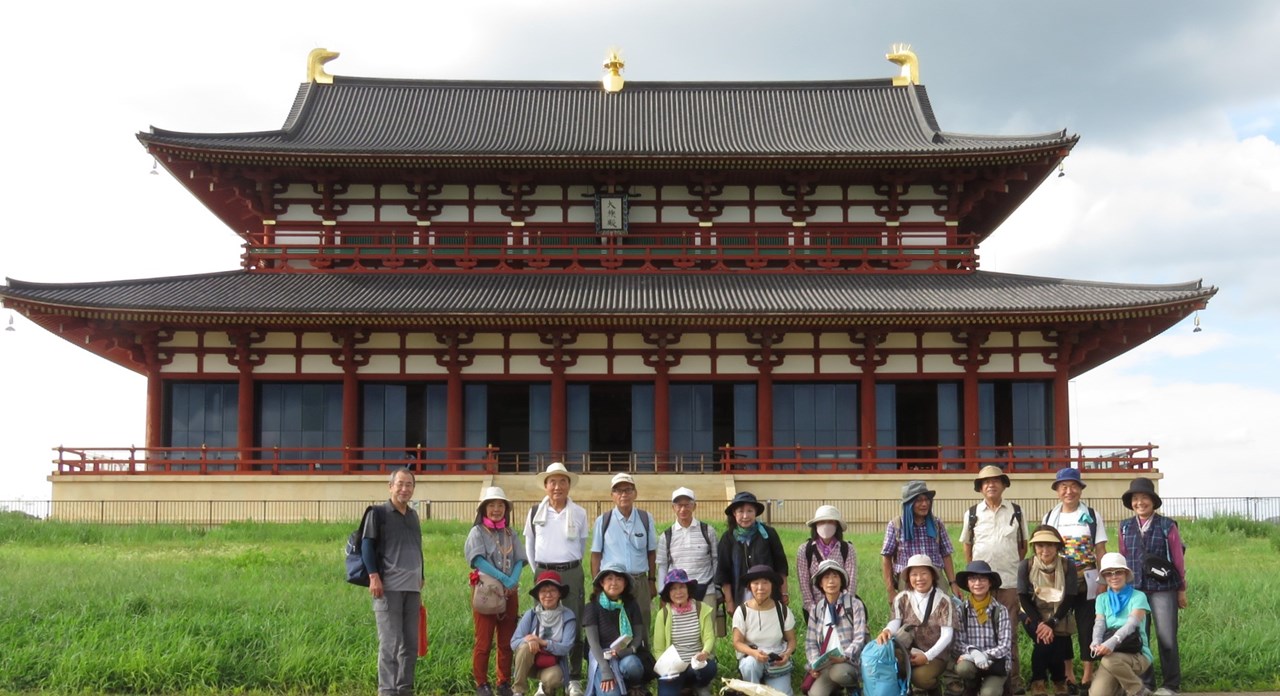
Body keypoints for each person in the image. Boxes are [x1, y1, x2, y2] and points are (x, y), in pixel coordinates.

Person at [960, 465, 1028, 695]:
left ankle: (1012, 683)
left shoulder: (1016, 511)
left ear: (1003, 485)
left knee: (1010, 636)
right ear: (980, 488)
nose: (991, 485)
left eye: (995, 480)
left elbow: (1022, 546)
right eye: (986, 482)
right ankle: (977, 679)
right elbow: (967, 546)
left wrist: (1010, 566)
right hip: (980, 585)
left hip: (1008, 583)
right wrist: (976, 575)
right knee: (979, 633)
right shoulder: (972, 513)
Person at [525, 462, 591, 696]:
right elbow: (530, 545)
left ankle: (574, 677)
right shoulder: (535, 512)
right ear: (545, 485)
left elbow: (581, 546)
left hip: (571, 571)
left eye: (563, 481)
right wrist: (539, 571)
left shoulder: (579, 513)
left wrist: (567, 565)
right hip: (544, 572)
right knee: (543, 624)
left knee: (574, 621)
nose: (557, 487)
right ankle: (546, 679)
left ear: (569, 485)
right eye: (552, 481)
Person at [1117, 478, 1186, 696]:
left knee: (1167, 637)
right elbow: (1123, 559)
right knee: (1140, 638)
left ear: (1153, 501)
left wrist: (1181, 589)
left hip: (1163, 589)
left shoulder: (1167, 526)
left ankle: (1171, 684)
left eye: (1144, 498)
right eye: (1135, 499)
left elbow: (1178, 559)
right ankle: (1146, 683)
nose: (1140, 502)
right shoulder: (1124, 527)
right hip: (1135, 590)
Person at [1041, 468, 1108, 693]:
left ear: (1080, 489)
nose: (1068, 491)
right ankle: (1068, 673)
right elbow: (1044, 549)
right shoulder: (1050, 517)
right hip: (1059, 579)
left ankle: (1088, 673)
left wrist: (1103, 579)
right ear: (1057, 490)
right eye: (1063, 487)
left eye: (1073, 486)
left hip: (1088, 577)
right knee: (1062, 626)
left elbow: (1100, 549)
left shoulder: (1092, 515)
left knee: (1087, 624)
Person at [361, 468, 424, 696]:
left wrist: (421, 575)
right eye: (400, 484)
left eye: (409, 485)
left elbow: (417, 547)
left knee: (410, 644)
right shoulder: (378, 513)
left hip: (412, 588)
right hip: (388, 587)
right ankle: (387, 690)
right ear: (390, 487)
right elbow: (367, 545)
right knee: (390, 643)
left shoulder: (413, 515)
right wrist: (373, 576)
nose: (404, 489)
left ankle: (404, 689)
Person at [467, 486, 528, 696]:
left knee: (506, 640)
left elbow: (520, 559)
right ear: (484, 508)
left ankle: (504, 682)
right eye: (491, 505)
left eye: (500, 505)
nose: (496, 509)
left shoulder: (511, 533)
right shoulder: (477, 532)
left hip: (509, 592)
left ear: (506, 509)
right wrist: (503, 579)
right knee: (483, 641)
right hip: (486, 591)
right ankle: (482, 683)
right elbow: (477, 560)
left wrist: (513, 580)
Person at [875, 553, 956, 696]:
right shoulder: (902, 598)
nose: (919, 579)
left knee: (920, 677)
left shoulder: (944, 600)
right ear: (908, 577)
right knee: (888, 664)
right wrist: (887, 630)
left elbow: (947, 635)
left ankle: (934, 689)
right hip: (907, 650)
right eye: (914, 574)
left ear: (932, 576)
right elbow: (895, 622)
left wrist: (927, 656)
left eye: (924, 573)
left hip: (936, 655)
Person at [591, 473, 659, 632]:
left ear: (635, 493)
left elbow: (651, 552)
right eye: (618, 491)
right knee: (613, 626)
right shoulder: (603, 521)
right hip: (614, 582)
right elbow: (595, 555)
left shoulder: (645, 518)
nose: (623, 494)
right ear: (612, 495)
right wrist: (597, 584)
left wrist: (651, 581)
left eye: (628, 490)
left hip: (639, 581)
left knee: (642, 623)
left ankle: (642, 649)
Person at [1017, 525, 1080, 696]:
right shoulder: (1026, 565)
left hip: (1059, 612)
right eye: (1040, 545)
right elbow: (1022, 596)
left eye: (1050, 545)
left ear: (1058, 546)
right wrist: (1040, 623)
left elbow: (1070, 597)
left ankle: (1055, 681)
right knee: (1045, 641)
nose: (1045, 550)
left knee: (1057, 644)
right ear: (1034, 547)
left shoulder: (1068, 565)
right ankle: (1041, 681)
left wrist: (1052, 623)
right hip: (1031, 612)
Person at [881, 480, 960, 606]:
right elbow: (887, 557)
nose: (924, 504)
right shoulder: (896, 525)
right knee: (909, 614)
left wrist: (953, 583)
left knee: (941, 612)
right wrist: (890, 590)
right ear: (908, 504)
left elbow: (946, 554)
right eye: (918, 500)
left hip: (935, 578)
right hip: (908, 580)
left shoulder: (937, 524)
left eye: (926, 500)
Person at [656, 487, 719, 634]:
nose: (683, 509)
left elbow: (715, 560)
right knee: (682, 634)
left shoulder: (708, 531)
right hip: (678, 593)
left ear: (694, 506)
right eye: (679, 505)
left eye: (687, 505)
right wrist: (662, 593)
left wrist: (717, 589)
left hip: (706, 590)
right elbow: (663, 566)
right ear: (673, 507)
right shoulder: (666, 536)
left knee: (707, 633)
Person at [1090, 552, 1153, 696]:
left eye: (1118, 572)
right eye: (1108, 573)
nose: (1114, 577)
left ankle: (1138, 690)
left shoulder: (1139, 596)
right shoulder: (1101, 599)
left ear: (1125, 574)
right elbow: (1099, 624)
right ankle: (1122, 690)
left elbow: (1132, 624)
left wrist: (1113, 641)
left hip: (1136, 653)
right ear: (1104, 577)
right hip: (1111, 655)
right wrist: (1096, 641)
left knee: (1110, 661)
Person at [583, 564, 652, 696]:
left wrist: (629, 651)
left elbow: (638, 636)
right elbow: (593, 644)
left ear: (625, 583)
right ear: (602, 582)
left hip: (625, 653)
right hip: (602, 656)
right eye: (609, 578)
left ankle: (634, 685)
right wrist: (605, 670)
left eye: (619, 579)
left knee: (632, 664)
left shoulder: (631, 605)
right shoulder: (592, 607)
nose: (614, 583)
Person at [717, 491, 789, 618]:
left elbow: (781, 566)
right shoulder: (727, 538)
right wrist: (729, 601)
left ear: (755, 512)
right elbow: (724, 573)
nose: (745, 516)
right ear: (734, 513)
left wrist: (784, 593)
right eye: (740, 511)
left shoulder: (769, 534)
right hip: (741, 598)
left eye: (750, 511)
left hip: (769, 596)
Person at [731, 564, 799, 695]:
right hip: (752, 658)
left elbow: (791, 640)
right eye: (755, 583)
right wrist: (753, 653)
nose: (760, 588)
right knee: (751, 664)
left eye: (765, 582)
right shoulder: (742, 611)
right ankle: (752, 689)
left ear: (772, 585)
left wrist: (787, 654)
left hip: (775, 661)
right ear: (749, 586)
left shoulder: (782, 610)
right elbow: (737, 642)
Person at [803, 559, 867, 696]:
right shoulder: (817, 609)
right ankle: (837, 690)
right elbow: (810, 642)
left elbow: (859, 637)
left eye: (835, 576)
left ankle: (854, 687)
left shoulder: (855, 604)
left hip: (849, 662)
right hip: (826, 665)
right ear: (820, 583)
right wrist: (814, 663)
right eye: (826, 577)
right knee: (815, 694)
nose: (831, 581)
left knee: (839, 673)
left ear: (841, 580)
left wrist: (844, 656)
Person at [651, 568, 718, 696]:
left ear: (688, 589)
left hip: (696, 664)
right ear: (668, 593)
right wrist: (666, 669)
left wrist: (705, 652)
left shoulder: (701, 608)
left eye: (682, 587)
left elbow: (709, 636)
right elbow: (658, 649)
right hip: (673, 669)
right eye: (673, 589)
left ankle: (699, 686)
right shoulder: (663, 614)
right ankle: (682, 687)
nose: (678, 592)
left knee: (709, 668)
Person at [512, 570, 578, 696]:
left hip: (552, 664)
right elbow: (514, 642)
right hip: (529, 664)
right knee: (525, 647)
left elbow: (566, 647)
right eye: (543, 591)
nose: (548, 595)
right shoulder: (531, 615)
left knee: (552, 679)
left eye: (552, 590)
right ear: (538, 595)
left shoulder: (568, 616)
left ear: (559, 593)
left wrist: (541, 642)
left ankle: (545, 689)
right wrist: (529, 640)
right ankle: (518, 691)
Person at [953, 561, 1014, 696]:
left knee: (989, 693)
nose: (977, 583)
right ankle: (972, 686)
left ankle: (1001, 685)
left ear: (990, 582)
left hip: (995, 663)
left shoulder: (1000, 610)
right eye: (972, 579)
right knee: (963, 668)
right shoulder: (961, 610)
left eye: (982, 579)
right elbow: (957, 643)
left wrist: (985, 655)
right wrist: (975, 653)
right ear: (967, 583)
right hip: (971, 661)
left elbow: (1005, 645)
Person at [796, 505, 859, 617]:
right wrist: (813, 609)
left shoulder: (847, 549)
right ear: (815, 525)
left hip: (842, 608)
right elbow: (804, 583)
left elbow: (851, 581)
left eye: (830, 522)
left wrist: (845, 607)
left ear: (837, 525)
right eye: (821, 522)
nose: (826, 525)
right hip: (815, 608)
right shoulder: (805, 550)